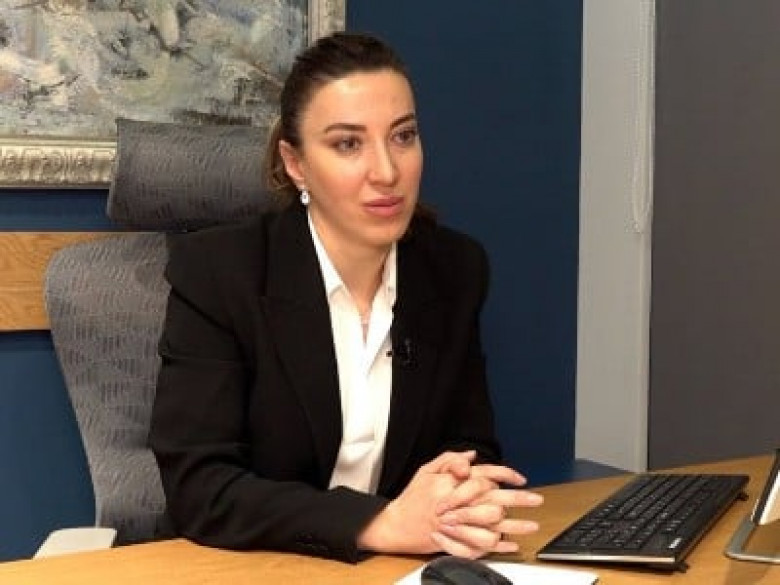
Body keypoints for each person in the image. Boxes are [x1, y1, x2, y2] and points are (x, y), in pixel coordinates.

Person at [149, 31, 543, 563]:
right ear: (296, 164)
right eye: (348, 144)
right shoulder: (220, 273)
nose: (387, 172)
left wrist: (461, 494)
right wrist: (376, 524)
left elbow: (468, 447)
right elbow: (201, 489)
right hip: (244, 565)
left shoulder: (454, 270)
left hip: (394, 570)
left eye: (403, 136)